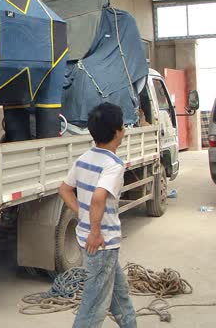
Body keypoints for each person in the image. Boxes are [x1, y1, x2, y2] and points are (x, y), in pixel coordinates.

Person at [59, 103, 136, 328]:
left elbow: (64, 189)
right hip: (101, 244)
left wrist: (83, 214)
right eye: (122, 125)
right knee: (94, 307)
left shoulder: (84, 158)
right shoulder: (113, 165)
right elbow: (99, 197)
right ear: (117, 132)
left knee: (120, 297)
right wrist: (95, 230)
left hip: (92, 241)